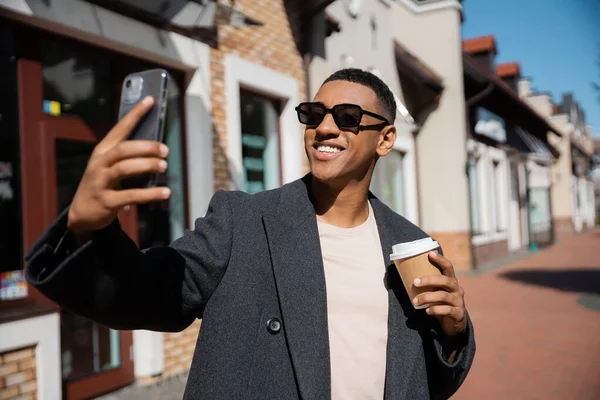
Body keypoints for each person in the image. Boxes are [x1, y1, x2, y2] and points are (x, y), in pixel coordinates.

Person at [25, 68, 475, 399]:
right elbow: (148, 291)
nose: (325, 126)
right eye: (315, 113)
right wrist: (88, 229)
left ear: (386, 139)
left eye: (349, 116)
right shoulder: (243, 221)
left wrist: (453, 332)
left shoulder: (409, 244)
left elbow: (429, 383)